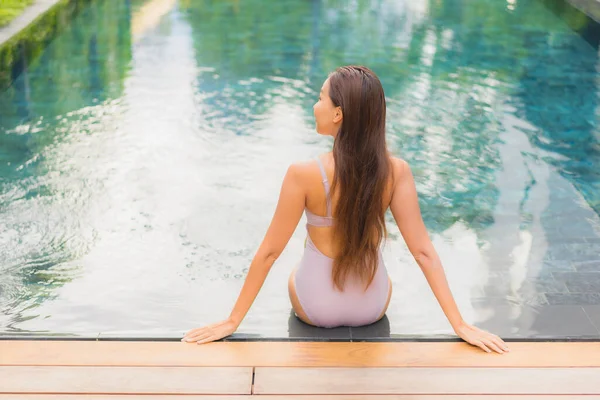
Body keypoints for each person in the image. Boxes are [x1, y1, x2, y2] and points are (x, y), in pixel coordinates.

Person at [183, 65, 509, 354]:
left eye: (320, 98)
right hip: (372, 306)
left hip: (315, 308)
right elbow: (423, 252)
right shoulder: (396, 172)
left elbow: (269, 253)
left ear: (338, 113)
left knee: (296, 271)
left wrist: (232, 320)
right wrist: (460, 324)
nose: (315, 106)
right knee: (384, 275)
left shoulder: (303, 173)